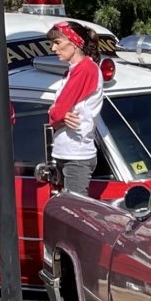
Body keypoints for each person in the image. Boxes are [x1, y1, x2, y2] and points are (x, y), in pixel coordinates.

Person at [45, 22, 102, 196]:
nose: (53, 48)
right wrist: (58, 115)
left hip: (77, 155)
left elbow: (57, 112)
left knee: (74, 208)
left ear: (75, 43)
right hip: (67, 152)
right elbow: (58, 114)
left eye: (58, 42)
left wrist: (55, 113)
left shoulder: (85, 69)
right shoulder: (73, 71)